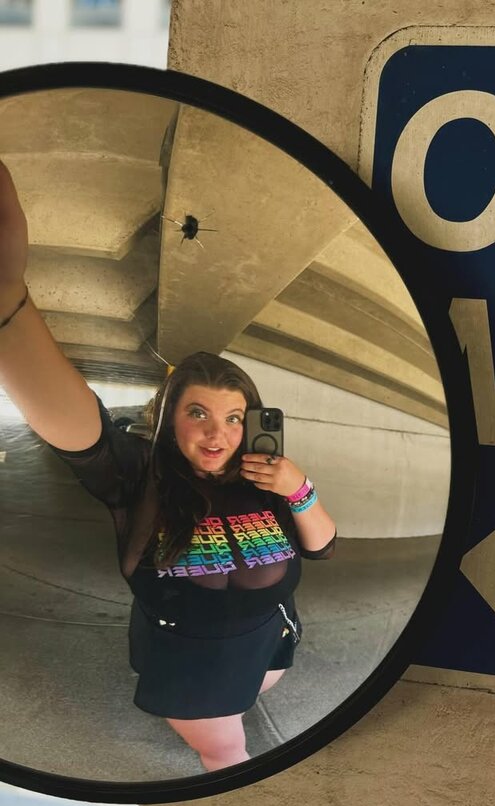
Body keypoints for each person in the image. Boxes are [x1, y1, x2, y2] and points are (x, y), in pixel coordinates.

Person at [0, 161, 336, 773]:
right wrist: (8, 304)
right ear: (169, 418)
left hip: (272, 634)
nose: (217, 433)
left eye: (234, 417)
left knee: (259, 687)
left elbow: (322, 547)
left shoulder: (263, 473)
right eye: (198, 413)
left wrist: (299, 488)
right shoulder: (141, 477)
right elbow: (81, 430)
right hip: (191, 664)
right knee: (227, 753)